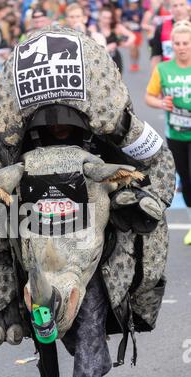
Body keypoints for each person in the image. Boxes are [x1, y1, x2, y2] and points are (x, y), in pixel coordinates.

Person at [0, 25, 175, 377]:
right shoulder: (12, 139)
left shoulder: (111, 120)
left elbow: (156, 161)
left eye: (67, 124)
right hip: (41, 248)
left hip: (90, 253)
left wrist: (140, 197)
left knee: (93, 331)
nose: (59, 127)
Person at [146, 19, 191, 245]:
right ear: (171, 45)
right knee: (186, 179)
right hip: (176, 133)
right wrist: (161, 103)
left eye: (185, 43)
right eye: (177, 43)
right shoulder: (163, 69)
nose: (181, 47)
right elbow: (149, 96)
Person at [89, 5, 135, 74]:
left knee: (117, 81)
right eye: (104, 18)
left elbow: (132, 36)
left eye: (109, 18)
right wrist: (108, 47)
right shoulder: (93, 28)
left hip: (114, 59)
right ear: (99, 17)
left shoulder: (115, 27)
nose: (106, 20)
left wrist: (125, 44)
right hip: (100, 60)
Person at [150, 0, 190, 69]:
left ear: (188, 7)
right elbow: (156, 56)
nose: (178, 9)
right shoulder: (161, 28)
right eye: (175, 6)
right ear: (170, 9)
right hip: (169, 74)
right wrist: (154, 77)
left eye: (181, 5)